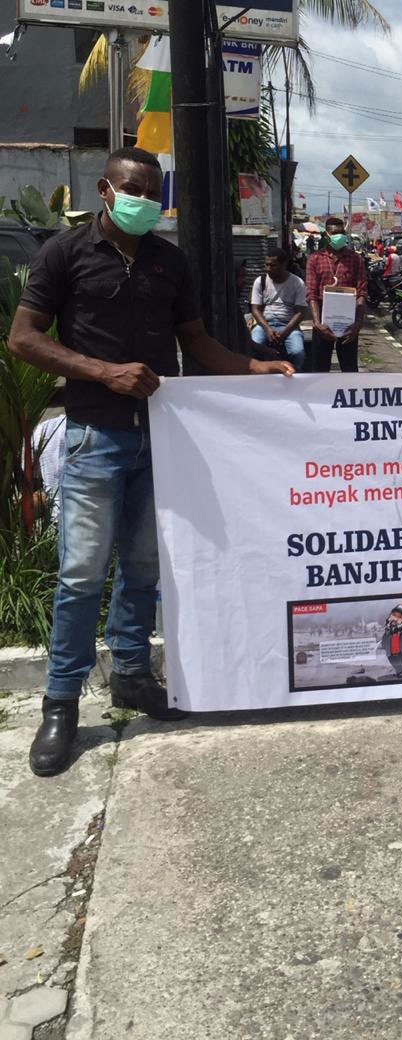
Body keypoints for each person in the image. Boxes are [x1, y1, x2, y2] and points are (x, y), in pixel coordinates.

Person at [8, 147, 293, 777]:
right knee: (81, 574)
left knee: (142, 567)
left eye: (152, 192)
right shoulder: (65, 253)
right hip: (94, 434)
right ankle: (61, 703)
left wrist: (255, 367)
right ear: (105, 190)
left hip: (162, 438)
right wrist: (102, 371)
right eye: (131, 189)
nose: (142, 201)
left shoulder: (169, 260)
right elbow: (23, 339)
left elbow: (196, 342)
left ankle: (132, 676)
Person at [305, 215, 366, 373]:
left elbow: (361, 292)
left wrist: (358, 324)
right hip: (323, 322)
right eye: (334, 233)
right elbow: (311, 293)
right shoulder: (315, 259)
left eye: (341, 233)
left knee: (349, 369)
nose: (339, 237)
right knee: (319, 370)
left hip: (348, 323)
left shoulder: (356, 259)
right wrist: (317, 323)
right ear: (326, 235)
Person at [249, 247, 308, 372]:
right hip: (265, 324)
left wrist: (284, 333)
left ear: (283, 265)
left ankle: (294, 376)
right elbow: (255, 309)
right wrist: (268, 329)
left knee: (297, 352)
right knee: (253, 346)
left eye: (273, 265)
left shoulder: (297, 283)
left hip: (288, 326)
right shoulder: (260, 281)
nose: (268, 269)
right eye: (266, 265)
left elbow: (300, 312)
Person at [380, 605, 402, 678]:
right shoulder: (388, 630)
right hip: (390, 653)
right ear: (390, 615)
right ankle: (398, 672)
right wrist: (384, 646)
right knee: (394, 663)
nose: (395, 618)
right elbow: (384, 639)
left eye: (399, 617)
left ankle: (401, 673)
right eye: (394, 615)